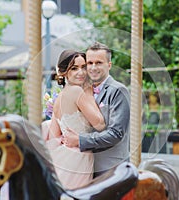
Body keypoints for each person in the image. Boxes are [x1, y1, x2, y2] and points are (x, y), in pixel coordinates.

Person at [63, 42, 131, 177]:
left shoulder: (119, 91)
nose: (93, 67)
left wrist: (80, 140)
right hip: (82, 166)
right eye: (89, 63)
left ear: (109, 65)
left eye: (99, 63)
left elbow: (116, 134)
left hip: (110, 168)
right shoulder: (80, 91)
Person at [44, 49, 105, 189]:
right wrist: (89, 92)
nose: (81, 72)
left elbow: (54, 135)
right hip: (79, 158)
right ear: (64, 71)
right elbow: (100, 124)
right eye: (74, 68)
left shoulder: (59, 98)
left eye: (84, 67)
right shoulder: (77, 91)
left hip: (63, 157)